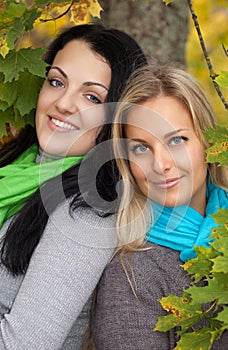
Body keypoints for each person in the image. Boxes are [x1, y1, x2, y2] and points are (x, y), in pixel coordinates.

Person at [0, 24, 147, 349]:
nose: (64, 103)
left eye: (92, 96)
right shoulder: (12, 171)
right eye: (56, 81)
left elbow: (22, 345)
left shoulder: (88, 213)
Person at [92, 65, 228, 349]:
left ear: (207, 141)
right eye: (141, 148)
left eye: (177, 140)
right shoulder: (132, 274)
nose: (161, 165)